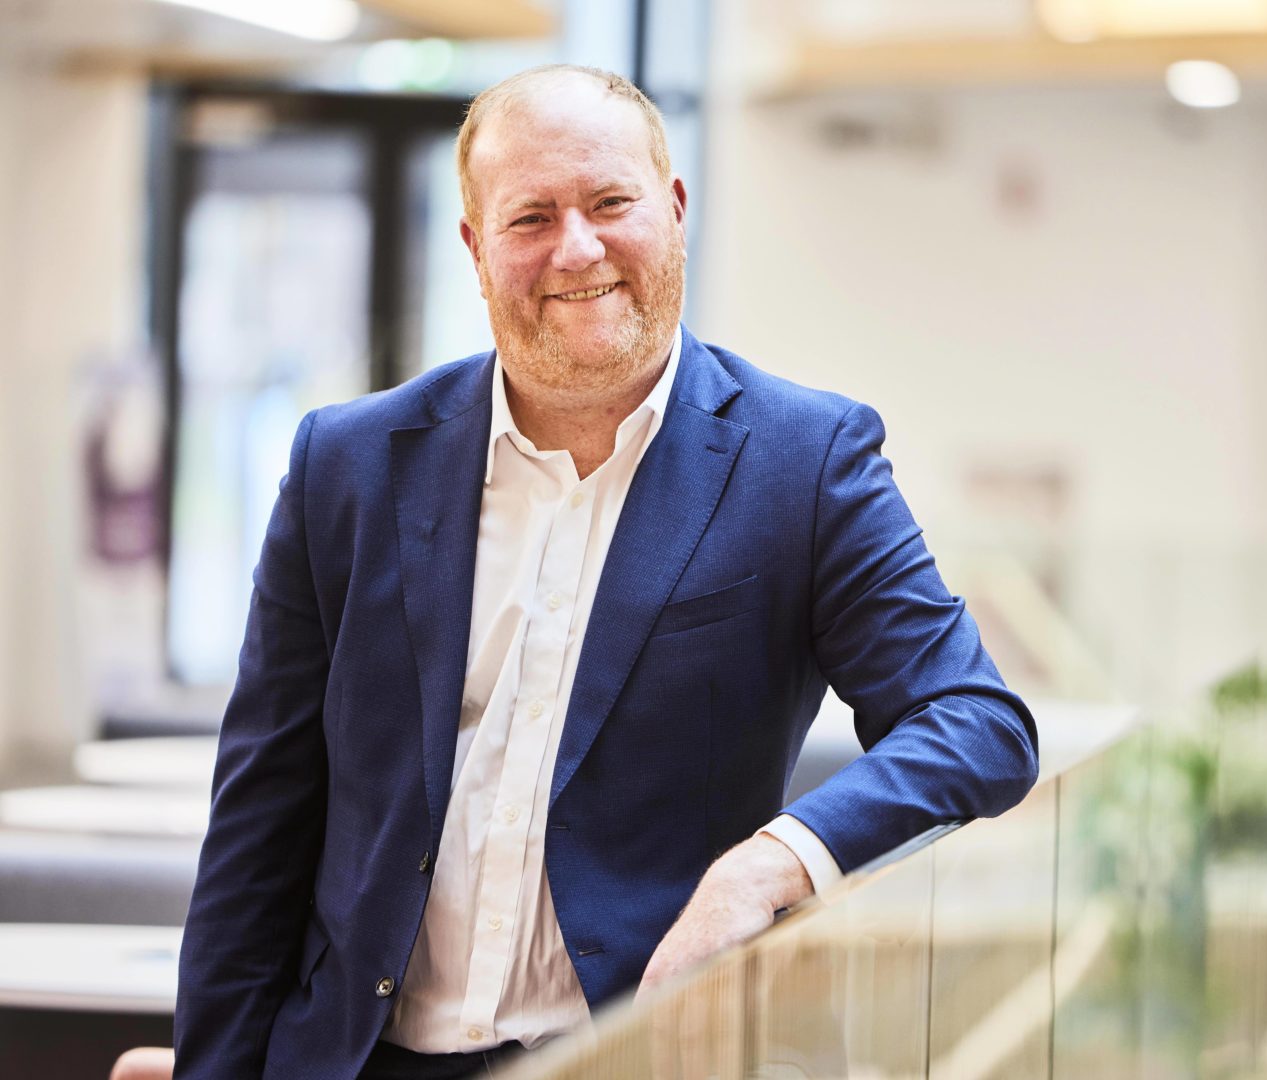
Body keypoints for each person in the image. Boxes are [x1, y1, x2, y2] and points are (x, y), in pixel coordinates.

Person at [173, 64, 1037, 1080]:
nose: (575, 248)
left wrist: (766, 868)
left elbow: (975, 723)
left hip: (642, 1058)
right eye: (530, 215)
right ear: (474, 247)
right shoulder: (348, 464)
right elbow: (260, 820)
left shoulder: (802, 463)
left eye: (610, 202)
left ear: (672, 210)